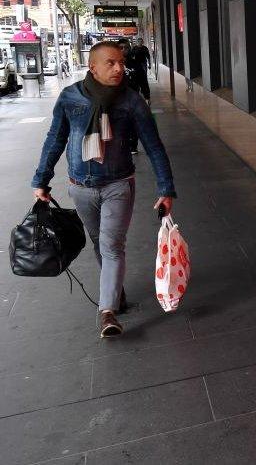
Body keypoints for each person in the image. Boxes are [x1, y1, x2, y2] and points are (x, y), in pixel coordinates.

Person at [31, 41, 177, 338]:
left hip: (118, 185)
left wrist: (166, 188)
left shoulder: (131, 101)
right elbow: (54, 140)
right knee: (99, 243)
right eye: (110, 63)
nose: (119, 68)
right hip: (80, 188)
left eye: (121, 62)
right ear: (92, 67)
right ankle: (115, 292)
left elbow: (153, 145)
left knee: (112, 246)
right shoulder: (70, 98)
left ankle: (107, 311)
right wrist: (41, 180)